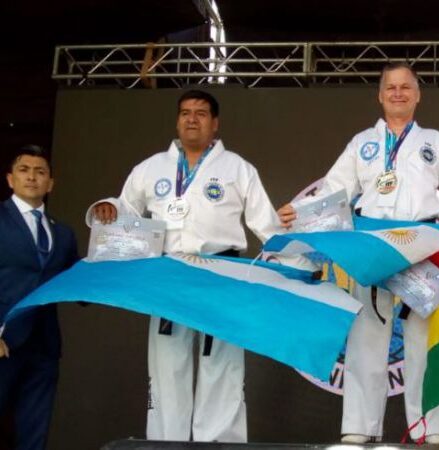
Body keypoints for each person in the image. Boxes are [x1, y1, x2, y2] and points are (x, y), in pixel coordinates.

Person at [278, 62, 439, 445]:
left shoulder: (436, 143)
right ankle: (359, 429)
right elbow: (334, 190)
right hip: (372, 247)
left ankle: (432, 430)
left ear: (418, 95)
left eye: (406, 87)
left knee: (424, 342)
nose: (398, 93)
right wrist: (297, 213)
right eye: (391, 88)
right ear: (380, 95)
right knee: (366, 338)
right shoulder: (362, 144)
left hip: (420, 247)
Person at [88, 90, 284, 442]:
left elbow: (266, 224)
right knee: (167, 365)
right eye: (185, 113)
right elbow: (126, 209)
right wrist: (108, 206)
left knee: (222, 363)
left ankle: (220, 442)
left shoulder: (237, 168)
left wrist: (298, 260)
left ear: (215, 123)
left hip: (221, 272)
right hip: (169, 274)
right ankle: (166, 441)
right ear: (177, 120)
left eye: (201, 113)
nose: (192, 119)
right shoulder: (151, 168)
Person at [0, 145, 79, 450]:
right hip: (4, 341)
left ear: (51, 183)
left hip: (44, 348)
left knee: (34, 434)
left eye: (40, 171)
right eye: (24, 170)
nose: (32, 177)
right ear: (10, 179)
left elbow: (74, 282)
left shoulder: (63, 234)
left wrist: (119, 271)